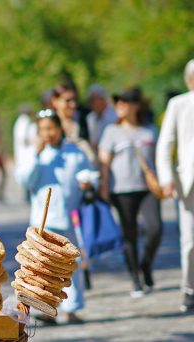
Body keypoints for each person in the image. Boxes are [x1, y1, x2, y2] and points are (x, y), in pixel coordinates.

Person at [16, 110, 93, 324]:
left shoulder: (74, 152)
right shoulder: (34, 154)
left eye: (50, 128)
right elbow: (24, 180)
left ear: (60, 129)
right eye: (42, 130)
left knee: (70, 264)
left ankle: (73, 308)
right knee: (43, 268)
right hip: (43, 219)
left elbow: (89, 172)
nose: (47, 133)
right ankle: (45, 307)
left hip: (70, 216)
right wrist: (36, 155)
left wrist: (88, 182)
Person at [98, 88, 163, 298]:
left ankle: (146, 265)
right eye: (118, 103)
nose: (120, 106)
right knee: (129, 234)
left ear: (136, 105)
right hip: (122, 190)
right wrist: (104, 190)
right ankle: (135, 279)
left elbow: (160, 159)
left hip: (147, 189)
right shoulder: (111, 132)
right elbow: (104, 163)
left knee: (155, 228)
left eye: (124, 102)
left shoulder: (150, 130)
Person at [156, 59, 194, 313]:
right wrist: (166, 177)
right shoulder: (178, 104)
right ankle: (189, 288)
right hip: (188, 182)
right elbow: (165, 144)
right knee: (190, 240)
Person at [50, 83, 96, 164]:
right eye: (68, 101)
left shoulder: (84, 121)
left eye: (74, 100)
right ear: (55, 101)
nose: (73, 105)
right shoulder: (48, 126)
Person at [86, 84, 118, 149]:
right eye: (90, 100)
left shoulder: (115, 116)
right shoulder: (90, 118)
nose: (90, 103)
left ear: (103, 100)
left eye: (93, 100)